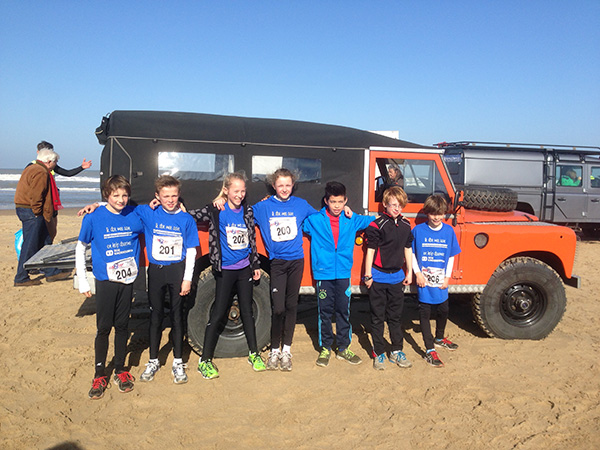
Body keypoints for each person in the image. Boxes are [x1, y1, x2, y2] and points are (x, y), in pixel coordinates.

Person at [188, 172, 265, 379]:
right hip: (226, 270)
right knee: (219, 312)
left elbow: (252, 240)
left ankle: (254, 354)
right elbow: (189, 216)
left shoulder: (247, 211)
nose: (239, 194)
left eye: (242, 191)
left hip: (245, 269)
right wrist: (160, 205)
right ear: (226, 190)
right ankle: (204, 360)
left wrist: (255, 264)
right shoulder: (217, 209)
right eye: (235, 191)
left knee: (247, 311)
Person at [75, 175, 143, 399]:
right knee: (104, 327)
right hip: (105, 280)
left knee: (122, 325)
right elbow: (80, 247)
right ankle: (99, 373)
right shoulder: (94, 217)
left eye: (124, 195)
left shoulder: (135, 214)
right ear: (107, 195)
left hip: (127, 279)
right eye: (116, 195)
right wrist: (83, 280)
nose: (121, 200)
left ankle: (121, 370)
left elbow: (158, 213)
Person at [134, 176, 199, 384]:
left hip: (177, 271)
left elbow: (191, 251)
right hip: (156, 271)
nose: (170, 200)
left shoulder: (186, 219)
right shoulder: (148, 212)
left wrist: (187, 279)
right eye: (165, 196)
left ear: (179, 196)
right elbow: (119, 207)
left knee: (177, 317)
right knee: (156, 317)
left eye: (173, 196)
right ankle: (153, 360)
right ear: (157, 196)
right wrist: (94, 205)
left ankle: (178, 362)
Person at [303, 181, 375, 367]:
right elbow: (297, 220)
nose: (336, 206)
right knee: (324, 312)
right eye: (333, 202)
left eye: (340, 202)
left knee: (343, 311)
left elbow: (374, 221)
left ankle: (343, 348)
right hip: (323, 274)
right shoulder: (314, 220)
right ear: (326, 201)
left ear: (346, 201)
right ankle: (326, 347)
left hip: (343, 273)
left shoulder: (352, 219)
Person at [251, 169, 317, 371]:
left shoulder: (301, 204)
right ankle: (273, 350)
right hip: (277, 263)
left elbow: (321, 217)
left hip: (296, 261)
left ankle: (286, 350)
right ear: (274, 186)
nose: (284, 189)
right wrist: (220, 202)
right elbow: (239, 214)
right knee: (277, 308)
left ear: (293, 185)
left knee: (291, 306)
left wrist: (346, 209)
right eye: (280, 185)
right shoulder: (263, 207)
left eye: (288, 185)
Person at [363, 186, 413, 370]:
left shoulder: (407, 225)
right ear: (385, 205)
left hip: (396, 278)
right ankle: (379, 352)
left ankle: (396, 351)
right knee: (377, 317)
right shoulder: (376, 225)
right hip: (378, 277)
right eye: (393, 205)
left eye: (400, 206)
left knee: (395, 317)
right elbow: (370, 250)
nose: (396, 209)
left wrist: (409, 272)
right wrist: (368, 274)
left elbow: (408, 249)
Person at [412, 194, 461, 368]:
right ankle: (429, 349)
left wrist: (447, 277)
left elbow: (451, 256)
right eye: (433, 214)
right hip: (424, 280)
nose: (436, 217)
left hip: (441, 280)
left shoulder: (449, 231)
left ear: (444, 214)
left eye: (440, 214)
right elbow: (411, 253)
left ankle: (439, 337)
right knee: (424, 314)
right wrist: (417, 274)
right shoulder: (418, 231)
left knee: (443, 310)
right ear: (427, 213)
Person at [14, 148, 67, 286]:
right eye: (55, 162)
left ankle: (51, 272)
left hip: (27, 209)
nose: (56, 165)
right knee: (30, 245)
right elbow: (37, 195)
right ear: (49, 161)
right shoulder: (41, 172)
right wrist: (37, 212)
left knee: (45, 241)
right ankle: (21, 277)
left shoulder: (33, 167)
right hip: (31, 212)